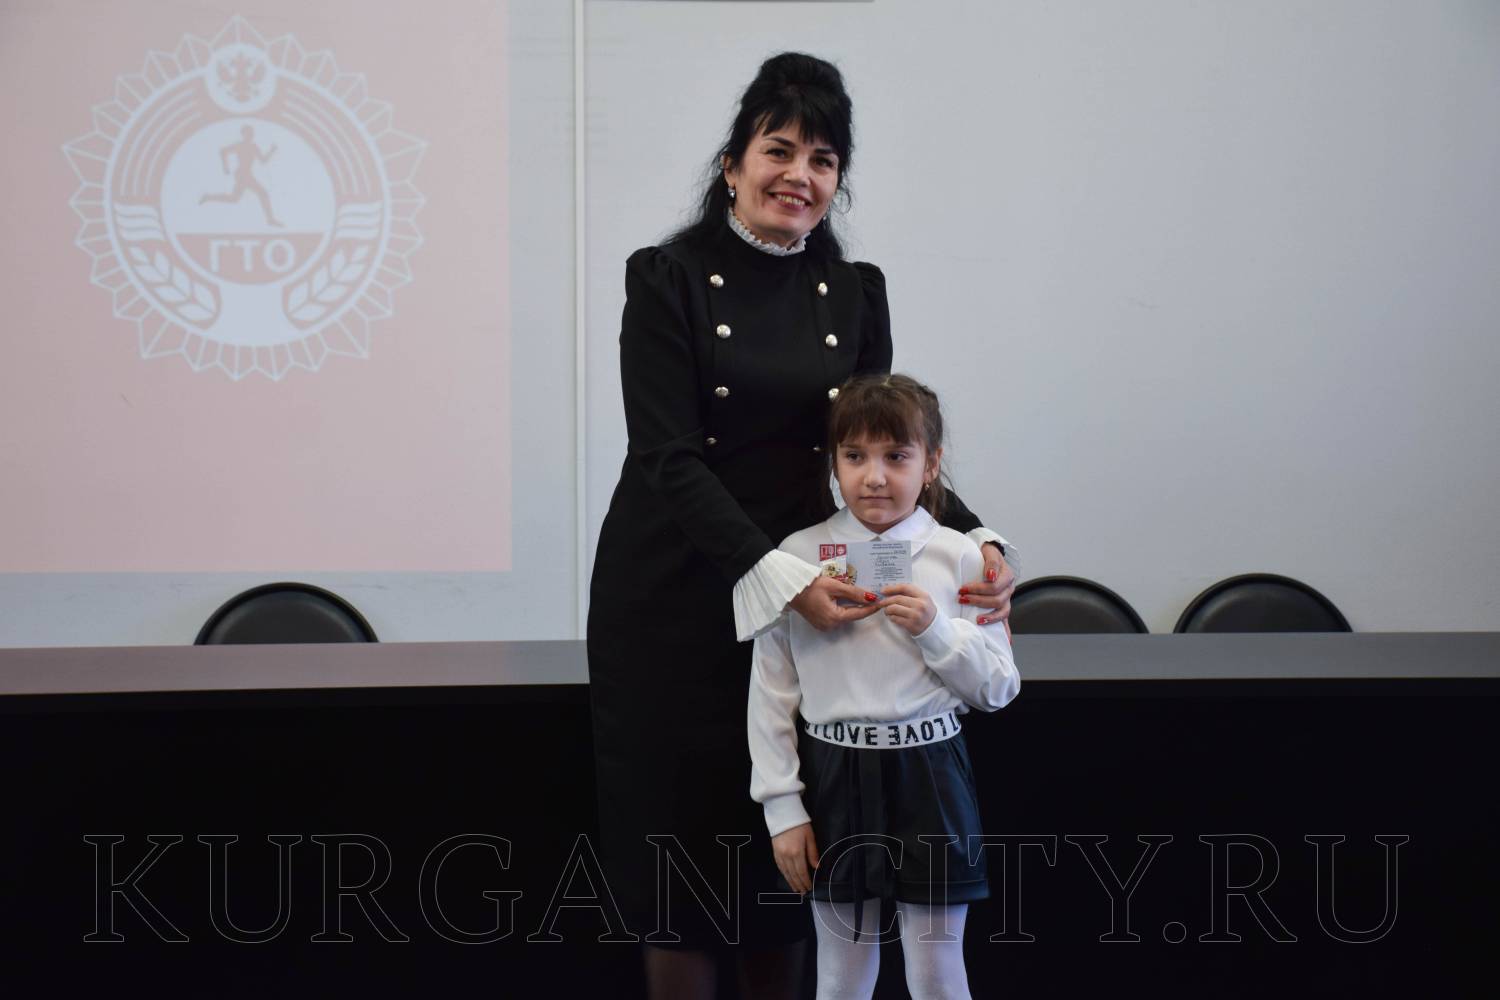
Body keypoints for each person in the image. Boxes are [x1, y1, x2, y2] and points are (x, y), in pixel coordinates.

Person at [587, 53, 1017, 1000]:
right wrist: (782, 580)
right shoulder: (665, 278)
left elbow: (884, 451)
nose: (799, 175)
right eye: (778, 150)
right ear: (732, 164)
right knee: (681, 861)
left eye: (823, 160)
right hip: (676, 598)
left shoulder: (855, 290)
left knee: (793, 861)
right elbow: (668, 456)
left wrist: (983, 544)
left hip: (814, 598)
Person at [749, 373, 1020, 1000]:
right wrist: (782, 808)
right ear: (834, 462)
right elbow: (770, 693)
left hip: (931, 773)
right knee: (841, 973)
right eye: (855, 456)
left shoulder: (963, 557)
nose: (875, 477)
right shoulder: (796, 556)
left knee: (937, 969)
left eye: (896, 456)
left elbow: (999, 687)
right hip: (833, 774)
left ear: (931, 465)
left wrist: (935, 630)